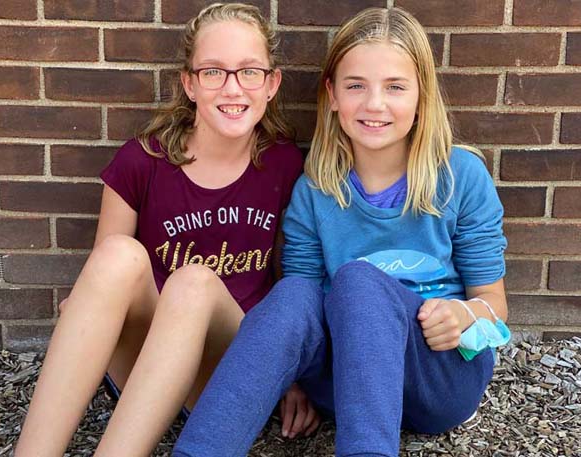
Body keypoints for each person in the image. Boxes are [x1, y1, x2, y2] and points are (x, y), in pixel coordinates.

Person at [171, 6, 510, 457]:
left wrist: (462, 315)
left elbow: (494, 303)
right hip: (342, 382)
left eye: (395, 87)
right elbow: (298, 313)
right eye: (356, 86)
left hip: (438, 377)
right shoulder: (315, 191)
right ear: (332, 95)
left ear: (422, 96)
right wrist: (290, 381)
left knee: (359, 281)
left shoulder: (461, 176)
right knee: (294, 292)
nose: (374, 104)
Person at [13, 3, 307, 456]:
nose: (232, 87)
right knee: (117, 255)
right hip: (146, 365)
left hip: (229, 365)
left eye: (249, 71)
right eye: (213, 72)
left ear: (271, 84)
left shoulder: (285, 165)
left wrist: (295, 373)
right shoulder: (142, 162)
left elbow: (297, 284)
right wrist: (87, 303)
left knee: (193, 282)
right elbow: (104, 281)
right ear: (189, 83)